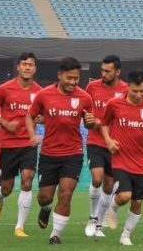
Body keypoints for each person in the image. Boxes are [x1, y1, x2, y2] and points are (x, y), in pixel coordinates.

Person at [26, 57, 95, 244]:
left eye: (76, 78)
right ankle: (46, 208)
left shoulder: (85, 98)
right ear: (59, 75)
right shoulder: (44, 94)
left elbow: (92, 122)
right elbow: (30, 116)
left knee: (66, 193)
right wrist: (32, 134)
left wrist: (91, 123)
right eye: (69, 78)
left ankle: (55, 235)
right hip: (49, 154)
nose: (73, 82)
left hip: (73, 153)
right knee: (44, 197)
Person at [98, 70, 143, 246]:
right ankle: (114, 207)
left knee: (138, 201)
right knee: (125, 195)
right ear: (128, 87)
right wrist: (108, 140)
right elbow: (103, 123)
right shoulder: (114, 104)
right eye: (135, 91)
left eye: (142, 91)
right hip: (120, 159)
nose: (139, 95)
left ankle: (126, 235)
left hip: (142, 162)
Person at [0, 52, 42, 237]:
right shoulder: (5, 89)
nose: (27, 67)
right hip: (8, 144)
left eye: (31, 64)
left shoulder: (39, 91)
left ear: (35, 68)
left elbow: (43, 116)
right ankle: (0, 200)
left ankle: (19, 226)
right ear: (18, 67)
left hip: (28, 143)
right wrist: (5, 123)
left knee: (27, 179)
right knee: (7, 188)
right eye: (24, 64)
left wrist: (40, 119)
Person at [84, 55, 127, 237]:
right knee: (97, 178)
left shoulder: (125, 89)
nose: (104, 74)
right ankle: (93, 217)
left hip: (115, 144)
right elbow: (85, 115)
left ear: (117, 71)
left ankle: (99, 225)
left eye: (108, 71)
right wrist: (89, 121)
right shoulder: (92, 87)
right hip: (96, 140)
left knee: (109, 186)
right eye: (102, 70)